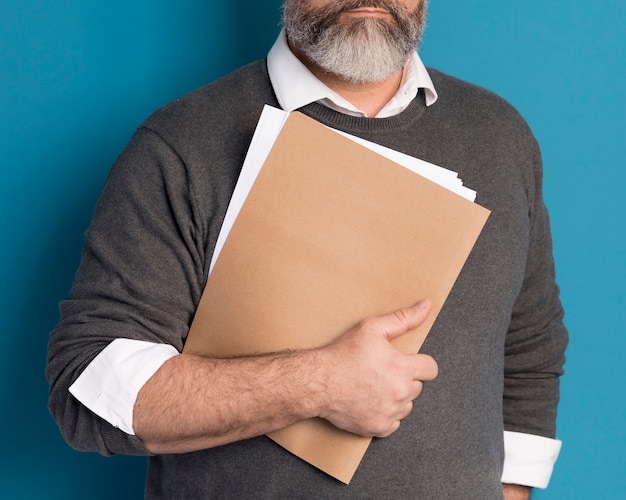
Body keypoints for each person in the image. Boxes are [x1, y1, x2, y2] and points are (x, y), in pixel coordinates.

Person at [47, 1, 568, 498]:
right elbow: (90, 388)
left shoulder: (500, 137)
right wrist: (318, 383)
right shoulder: (183, 144)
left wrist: (509, 491)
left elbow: (528, 346)